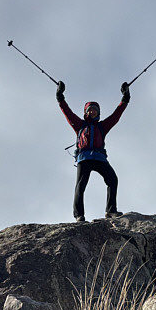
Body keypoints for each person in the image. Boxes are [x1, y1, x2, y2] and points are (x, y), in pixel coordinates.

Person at [56, 80, 130, 221]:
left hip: (99, 158)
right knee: (81, 185)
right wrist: (60, 96)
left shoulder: (102, 126)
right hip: (84, 158)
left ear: (98, 113)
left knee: (112, 179)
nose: (92, 111)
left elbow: (116, 115)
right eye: (90, 109)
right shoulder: (79, 125)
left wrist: (125, 98)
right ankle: (79, 215)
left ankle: (110, 211)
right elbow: (67, 112)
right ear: (86, 112)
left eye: (95, 110)